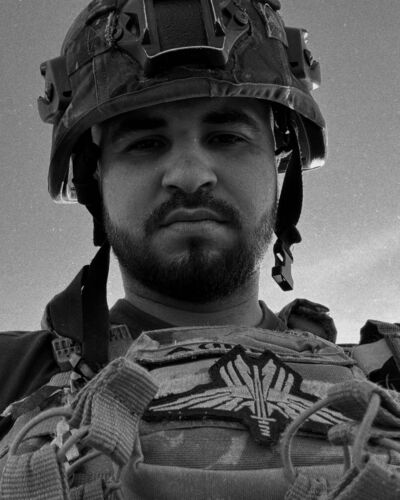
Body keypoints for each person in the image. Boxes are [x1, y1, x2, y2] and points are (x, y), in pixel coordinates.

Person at [1, 0, 400, 498]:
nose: (190, 176)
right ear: (94, 178)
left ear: (279, 161)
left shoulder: (388, 376)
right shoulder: (9, 374)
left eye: (226, 137)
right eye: (145, 144)